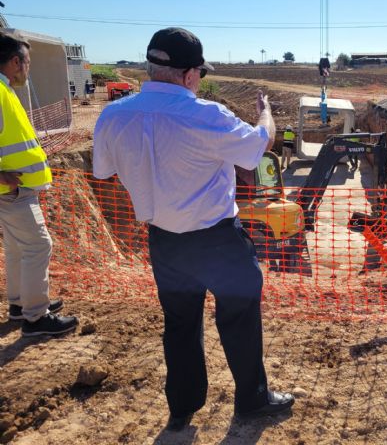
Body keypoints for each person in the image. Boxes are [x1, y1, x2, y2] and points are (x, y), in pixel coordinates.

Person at [92, 27, 294, 432]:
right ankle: (252, 400)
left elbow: (105, 172)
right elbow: (260, 146)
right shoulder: (207, 115)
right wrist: (265, 111)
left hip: (164, 242)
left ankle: (182, 408)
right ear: (188, 75)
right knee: (238, 318)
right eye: (199, 74)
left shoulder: (112, 115)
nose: (200, 81)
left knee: (180, 326)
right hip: (217, 240)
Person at [0, 30, 77, 336]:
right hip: (11, 190)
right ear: (16, 61)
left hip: (13, 189)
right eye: (28, 62)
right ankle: (35, 317)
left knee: (18, 247)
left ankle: (20, 305)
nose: (28, 69)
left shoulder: (5, 90)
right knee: (37, 246)